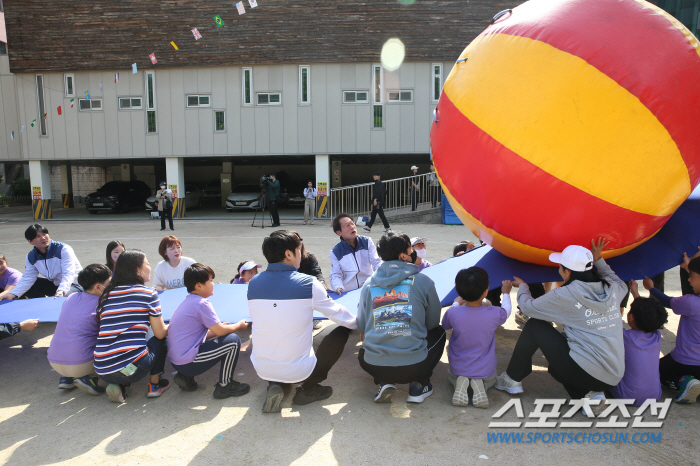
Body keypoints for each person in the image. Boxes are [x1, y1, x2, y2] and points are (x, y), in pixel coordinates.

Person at [495, 239, 626, 412]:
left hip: (587, 370)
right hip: (613, 375)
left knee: (536, 326)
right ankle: (589, 398)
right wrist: (598, 259)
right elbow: (615, 278)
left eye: (560, 266)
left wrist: (524, 287)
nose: (558, 270)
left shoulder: (567, 294)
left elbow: (528, 308)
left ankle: (511, 378)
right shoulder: (612, 289)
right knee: (559, 365)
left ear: (567, 271)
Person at [248, 230, 357, 413]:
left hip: (262, 367)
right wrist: (361, 323)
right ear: (289, 254)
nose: (302, 255)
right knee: (339, 331)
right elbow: (339, 314)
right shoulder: (309, 283)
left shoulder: (254, 282)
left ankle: (276, 384)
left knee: (274, 334)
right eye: (299, 250)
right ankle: (309, 388)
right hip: (299, 370)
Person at [357, 232, 445, 404]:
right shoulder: (423, 282)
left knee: (364, 351)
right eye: (411, 249)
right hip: (414, 365)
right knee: (439, 333)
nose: (414, 252)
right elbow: (433, 323)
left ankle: (384, 382)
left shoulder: (368, 285)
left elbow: (361, 324)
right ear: (403, 255)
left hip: (374, 365)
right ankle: (419, 385)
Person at [94, 249, 169, 403]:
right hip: (133, 369)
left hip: (102, 370)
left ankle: (119, 386)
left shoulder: (107, 295)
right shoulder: (148, 293)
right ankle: (155, 384)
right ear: (138, 270)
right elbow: (160, 333)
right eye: (147, 264)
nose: (150, 267)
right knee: (160, 338)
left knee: (130, 343)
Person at [168, 263, 250, 399]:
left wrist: (221, 329)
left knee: (225, 335)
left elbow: (201, 334)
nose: (213, 284)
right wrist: (238, 326)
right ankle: (225, 385)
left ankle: (185, 377)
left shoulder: (189, 301)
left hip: (177, 360)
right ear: (198, 286)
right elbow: (220, 331)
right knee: (233, 341)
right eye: (210, 281)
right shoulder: (202, 303)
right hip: (187, 362)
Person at [442, 267, 512, 408]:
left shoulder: (453, 313)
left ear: (460, 292)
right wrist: (506, 293)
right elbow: (507, 310)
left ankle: (459, 383)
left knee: (451, 375)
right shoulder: (494, 313)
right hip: (485, 370)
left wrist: (456, 303)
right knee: (491, 378)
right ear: (486, 291)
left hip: (458, 368)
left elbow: (445, 325)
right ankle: (482, 384)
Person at [643, 251, 700, 403]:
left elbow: (666, 301)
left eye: (691, 276)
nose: (689, 280)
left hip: (685, 361)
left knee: (656, 373)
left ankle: (684, 381)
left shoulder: (691, 303)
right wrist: (690, 268)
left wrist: (651, 288)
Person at [47, 264, 112, 395]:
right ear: (98, 287)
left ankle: (67, 378)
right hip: (80, 364)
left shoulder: (71, 297)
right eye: (110, 283)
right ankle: (88, 377)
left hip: (53, 361)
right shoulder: (102, 304)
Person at [609, 286, 667, 406]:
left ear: (631, 317)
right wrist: (635, 292)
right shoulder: (656, 336)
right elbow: (648, 313)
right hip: (654, 396)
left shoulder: (625, 336)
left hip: (626, 396)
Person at [0, 224, 82, 300]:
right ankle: (42, 304)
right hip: (56, 285)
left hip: (74, 285)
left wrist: (62, 290)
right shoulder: (31, 257)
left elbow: (68, 273)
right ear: (30, 241)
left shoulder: (63, 249)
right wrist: (12, 294)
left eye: (44, 234)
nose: (43, 238)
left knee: (62, 300)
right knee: (32, 284)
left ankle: (54, 301)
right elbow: (28, 278)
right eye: (38, 236)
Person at [330, 213, 382, 295]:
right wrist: (338, 287)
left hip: (369, 287)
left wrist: (382, 277)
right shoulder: (335, 252)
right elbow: (336, 274)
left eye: (352, 223)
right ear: (339, 232)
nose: (352, 227)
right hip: (349, 291)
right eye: (347, 225)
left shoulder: (367, 241)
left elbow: (376, 262)